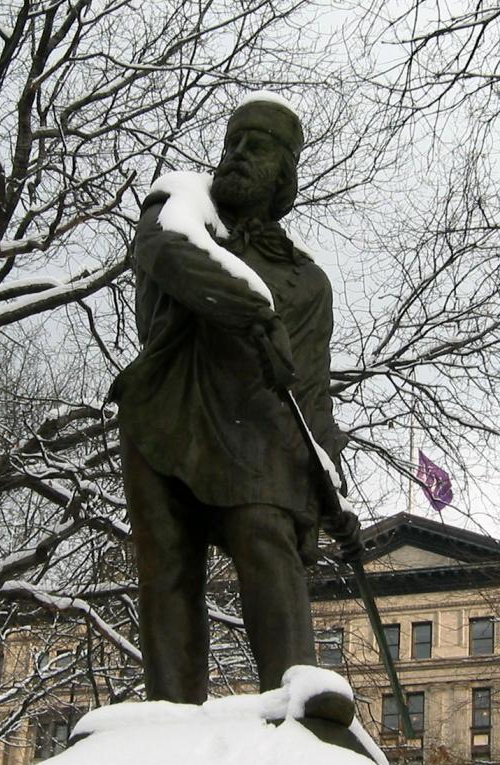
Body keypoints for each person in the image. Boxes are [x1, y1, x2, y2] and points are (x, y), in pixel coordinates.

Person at [110, 91, 360, 705]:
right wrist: (256, 312)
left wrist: (329, 485)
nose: (238, 157)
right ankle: (170, 720)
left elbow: (312, 392)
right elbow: (165, 253)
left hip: (256, 434)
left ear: (285, 174)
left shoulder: (308, 281)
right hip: (166, 419)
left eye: (258, 148)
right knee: (168, 577)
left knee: (266, 540)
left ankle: (302, 705)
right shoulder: (182, 202)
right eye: (233, 145)